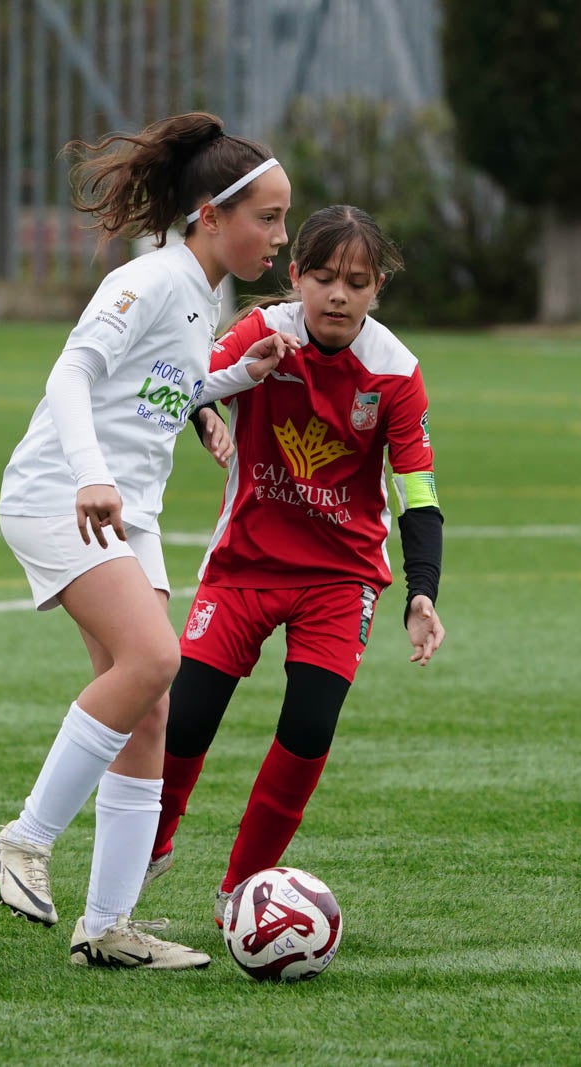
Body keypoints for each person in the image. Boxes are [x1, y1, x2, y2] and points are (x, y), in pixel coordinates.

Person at [0, 111, 299, 968]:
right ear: (209, 214)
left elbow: (163, 381)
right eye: (266, 218)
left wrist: (229, 384)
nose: (279, 236)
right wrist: (90, 474)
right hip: (65, 494)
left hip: (130, 511)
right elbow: (74, 371)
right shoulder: (154, 276)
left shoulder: (205, 291)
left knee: (150, 712)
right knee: (155, 662)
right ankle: (23, 839)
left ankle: (108, 926)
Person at [139, 205, 446, 924]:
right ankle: (147, 846)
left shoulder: (396, 373)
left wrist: (422, 593)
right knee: (183, 722)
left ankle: (241, 891)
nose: (339, 295)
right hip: (243, 563)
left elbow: (419, 492)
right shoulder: (263, 334)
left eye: (359, 282)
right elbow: (181, 378)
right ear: (296, 276)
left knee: (308, 729)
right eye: (326, 277)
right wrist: (210, 414)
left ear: (377, 291)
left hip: (340, 579)